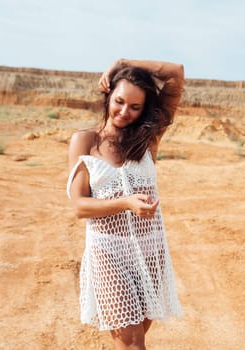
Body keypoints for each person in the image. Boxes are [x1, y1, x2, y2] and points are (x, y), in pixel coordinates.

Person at [66, 58, 184, 350]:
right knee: (131, 342)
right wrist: (126, 203)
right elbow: (80, 206)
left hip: (150, 249)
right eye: (119, 102)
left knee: (137, 336)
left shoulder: (148, 138)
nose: (124, 112)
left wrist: (122, 62)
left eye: (135, 107)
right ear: (107, 96)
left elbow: (175, 74)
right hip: (108, 249)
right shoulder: (86, 141)